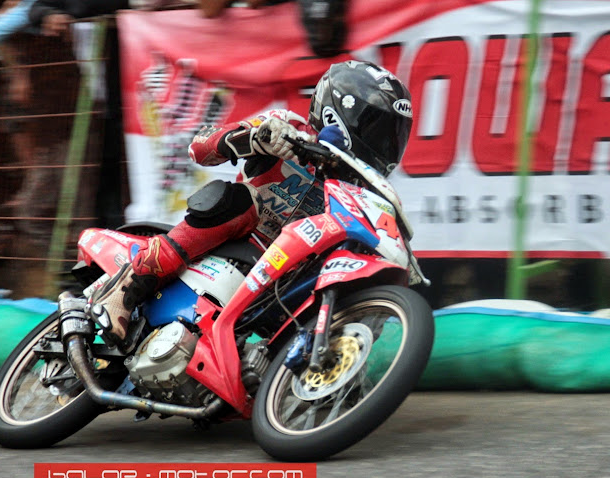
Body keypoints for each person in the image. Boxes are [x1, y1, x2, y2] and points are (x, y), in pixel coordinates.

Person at [89, 60, 413, 347]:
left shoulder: (363, 188)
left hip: (287, 276)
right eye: (378, 129)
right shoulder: (288, 126)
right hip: (238, 241)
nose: (387, 144)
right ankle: (126, 288)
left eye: (393, 135)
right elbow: (199, 148)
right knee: (238, 199)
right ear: (340, 112)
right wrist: (256, 138)